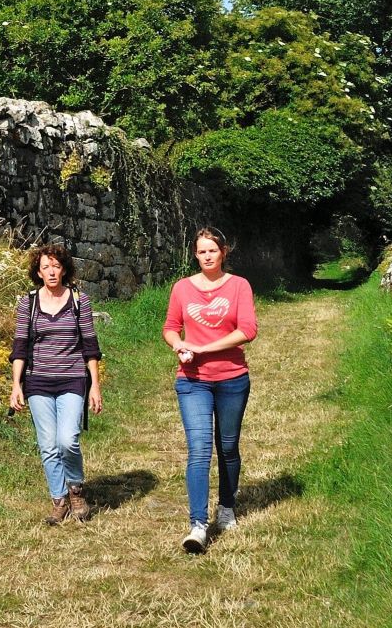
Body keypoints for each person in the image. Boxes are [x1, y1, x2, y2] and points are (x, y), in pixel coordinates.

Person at [161, 226, 257, 554]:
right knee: (200, 450)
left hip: (232, 379)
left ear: (223, 252)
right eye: (201, 251)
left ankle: (227, 507)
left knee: (228, 447)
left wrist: (205, 348)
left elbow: (248, 330)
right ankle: (198, 525)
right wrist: (180, 346)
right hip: (192, 381)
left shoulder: (239, 286)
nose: (206, 256)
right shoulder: (182, 288)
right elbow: (171, 328)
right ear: (195, 254)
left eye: (212, 251)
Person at [9, 242, 104, 524]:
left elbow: (90, 345)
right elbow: (20, 346)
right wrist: (16, 384)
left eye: (56, 266)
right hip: (37, 382)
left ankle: (76, 489)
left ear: (64, 270)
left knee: (67, 440)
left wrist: (95, 386)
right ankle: (59, 499)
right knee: (48, 444)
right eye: (45, 267)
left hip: (73, 379)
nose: (51, 272)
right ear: (38, 272)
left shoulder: (79, 301)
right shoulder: (29, 302)